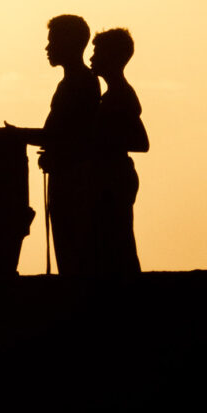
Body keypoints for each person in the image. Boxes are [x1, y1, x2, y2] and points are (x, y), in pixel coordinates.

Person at [0, 15, 100, 275]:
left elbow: (60, 134)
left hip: (73, 180)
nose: (48, 48)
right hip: (68, 176)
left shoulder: (80, 83)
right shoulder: (75, 82)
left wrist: (15, 135)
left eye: (52, 41)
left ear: (69, 43)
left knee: (73, 253)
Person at [89, 28, 148, 274]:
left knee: (118, 243)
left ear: (111, 57)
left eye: (97, 52)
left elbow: (141, 142)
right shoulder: (113, 95)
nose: (91, 58)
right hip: (112, 177)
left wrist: (102, 142)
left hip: (115, 178)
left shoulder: (120, 95)